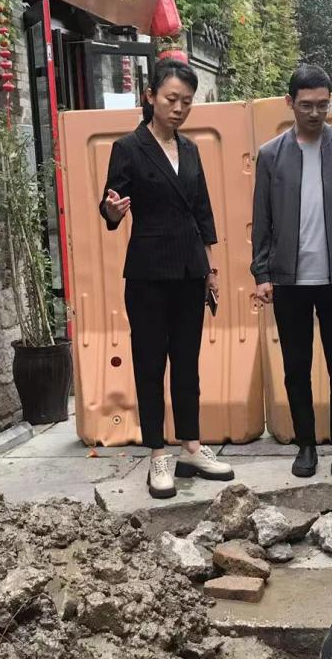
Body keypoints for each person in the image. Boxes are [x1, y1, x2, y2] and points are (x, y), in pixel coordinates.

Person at [100, 59, 234, 499]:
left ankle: (191, 446)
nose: (179, 108)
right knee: (150, 363)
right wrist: (112, 211)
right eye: (172, 99)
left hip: (190, 271)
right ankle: (158, 453)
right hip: (148, 274)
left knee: (187, 363)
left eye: (187, 102)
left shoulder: (191, 149)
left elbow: (202, 212)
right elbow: (110, 205)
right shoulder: (128, 147)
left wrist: (210, 269)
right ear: (150, 96)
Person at [251, 64, 332, 479]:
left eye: (323, 105)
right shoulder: (271, 155)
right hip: (289, 281)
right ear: (289, 102)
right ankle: (305, 446)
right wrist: (262, 274)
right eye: (306, 105)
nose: (315, 113)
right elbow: (262, 219)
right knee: (296, 368)